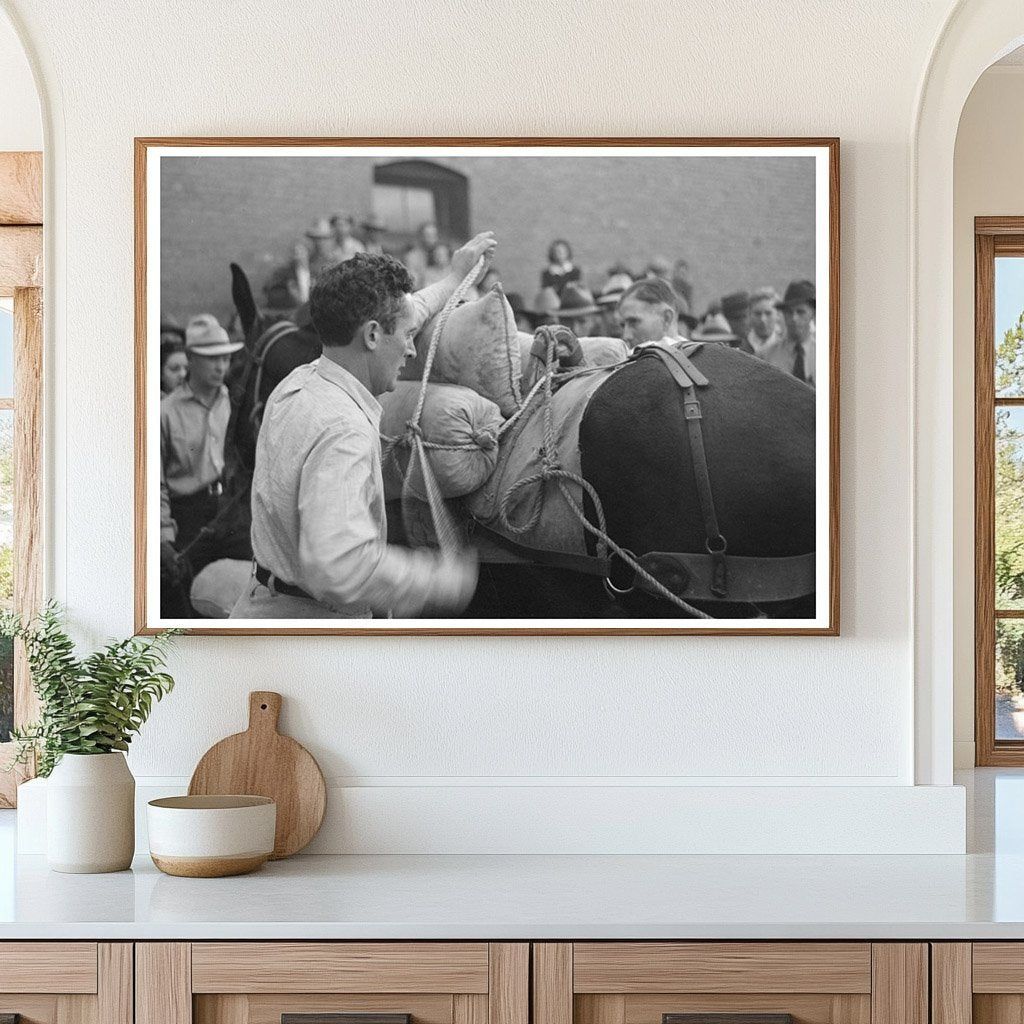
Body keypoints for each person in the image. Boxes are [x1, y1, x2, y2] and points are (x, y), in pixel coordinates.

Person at [230, 232, 498, 620]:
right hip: (315, 634)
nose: (410, 348)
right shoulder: (344, 430)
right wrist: (441, 579)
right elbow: (339, 563)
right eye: (407, 337)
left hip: (264, 608)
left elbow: (411, 310)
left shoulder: (298, 381)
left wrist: (455, 278)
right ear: (372, 335)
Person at [160, 314, 244, 614]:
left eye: (225, 358)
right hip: (188, 518)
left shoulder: (234, 402)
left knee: (241, 594)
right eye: (212, 359)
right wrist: (163, 538)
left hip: (230, 510)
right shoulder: (166, 413)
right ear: (191, 358)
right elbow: (154, 483)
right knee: (189, 601)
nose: (221, 367)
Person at [764, 279, 816, 386]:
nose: (794, 318)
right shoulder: (766, 356)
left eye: (800, 312)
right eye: (789, 312)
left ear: (813, 314)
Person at [616, 278, 689, 351]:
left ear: (666, 318)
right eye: (623, 326)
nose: (626, 336)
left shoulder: (696, 360)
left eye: (633, 322)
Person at [744, 286, 785, 357]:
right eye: (757, 314)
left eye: (768, 313)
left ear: (778, 314)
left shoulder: (787, 349)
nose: (762, 319)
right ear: (749, 315)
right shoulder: (740, 349)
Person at [405, 221, 440, 287]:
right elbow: (413, 283)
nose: (432, 239)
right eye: (428, 235)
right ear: (421, 237)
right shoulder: (412, 257)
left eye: (434, 235)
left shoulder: (442, 254)